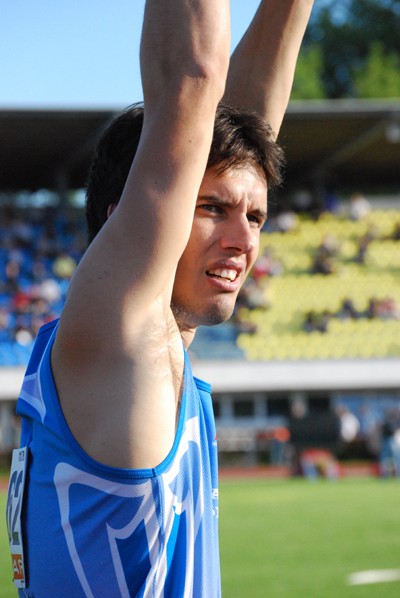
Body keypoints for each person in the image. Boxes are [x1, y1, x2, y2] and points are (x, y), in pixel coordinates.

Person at [6, 1, 314, 596]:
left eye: (255, 216)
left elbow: (242, 123)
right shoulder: (119, 334)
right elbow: (193, 81)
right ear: (132, 224)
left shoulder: (152, 346)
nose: (245, 239)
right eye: (213, 210)